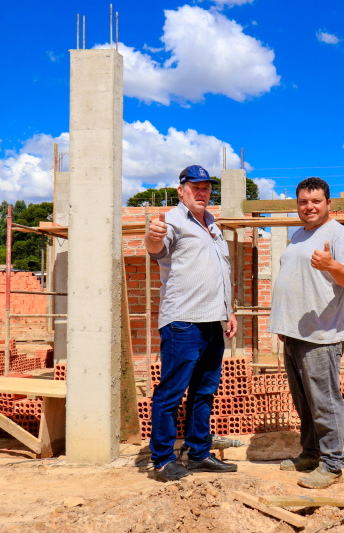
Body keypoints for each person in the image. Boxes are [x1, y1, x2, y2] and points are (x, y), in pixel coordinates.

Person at [144, 164, 239, 482]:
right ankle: (161, 460)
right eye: (195, 187)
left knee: (204, 391)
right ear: (181, 190)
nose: (202, 192)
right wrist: (151, 238)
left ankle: (198, 453)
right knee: (172, 391)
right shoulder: (171, 221)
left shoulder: (213, 225)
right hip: (183, 322)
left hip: (213, 321)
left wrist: (230, 311)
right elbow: (157, 248)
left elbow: (219, 273)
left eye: (206, 187)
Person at [268, 177, 344, 489]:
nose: (309, 207)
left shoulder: (338, 234)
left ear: (328, 204)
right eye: (303, 202)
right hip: (294, 333)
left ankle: (332, 464)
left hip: (322, 336)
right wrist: (285, 324)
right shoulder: (297, 236)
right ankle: (310, 453)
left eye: (316, 201)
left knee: (324, 401)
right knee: (304, 401)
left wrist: (332, 264)